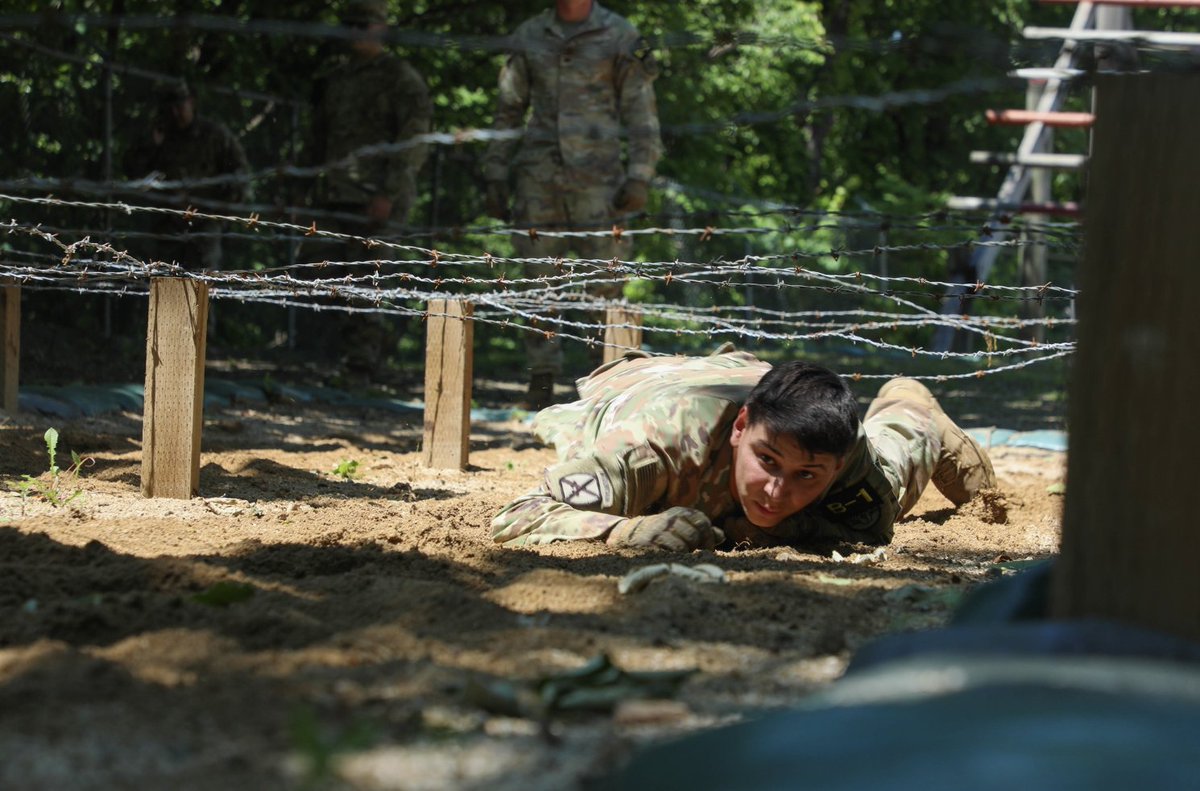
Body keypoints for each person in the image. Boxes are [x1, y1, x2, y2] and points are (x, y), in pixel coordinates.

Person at [491, 350, 996, 551]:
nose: (777, 491)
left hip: (756, 385)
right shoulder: (654, 447)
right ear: (739, 429)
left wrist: (748, 528)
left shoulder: (852, 464)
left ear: (837, 467)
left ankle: (908, 399)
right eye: (768, 462)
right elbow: (518, 515)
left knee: (903, 461)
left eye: (807, 477)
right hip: (649, 389)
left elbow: (866, 529)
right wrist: (625, 529)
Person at [482, 0, 663, 410]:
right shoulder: (530, 34)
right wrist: (494, 171)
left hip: (601, 184)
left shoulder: (620, 35)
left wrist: (640, 174)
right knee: (538, 283)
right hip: (538, 179)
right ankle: (541, 380)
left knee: (606, 282)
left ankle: (606, 380)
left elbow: (641, 110)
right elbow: (508, 110)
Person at [305, 0, 433, 377]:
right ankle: (332, 357)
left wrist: (389, 194)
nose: (358, 31)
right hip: (336, 193)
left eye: (366, 24)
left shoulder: (400, 77)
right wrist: (303, 191)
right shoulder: (334, 79)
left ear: (381, 28)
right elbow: (318, 139)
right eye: (352, 24)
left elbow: (413, 140)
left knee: (371, 273)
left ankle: (365, 363)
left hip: (378, 195)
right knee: (327, 272)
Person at [124, 78, 250, 270]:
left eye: (179, 106)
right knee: (166, 286)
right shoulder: (159, 135)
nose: (175, 114)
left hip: (204, 227)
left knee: (199, 285)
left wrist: (218, 213)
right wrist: (151, 144)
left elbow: (240, 176)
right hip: (167, 225)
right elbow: (133, 172)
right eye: (170, 109)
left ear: (191, 102)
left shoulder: (213, 135)